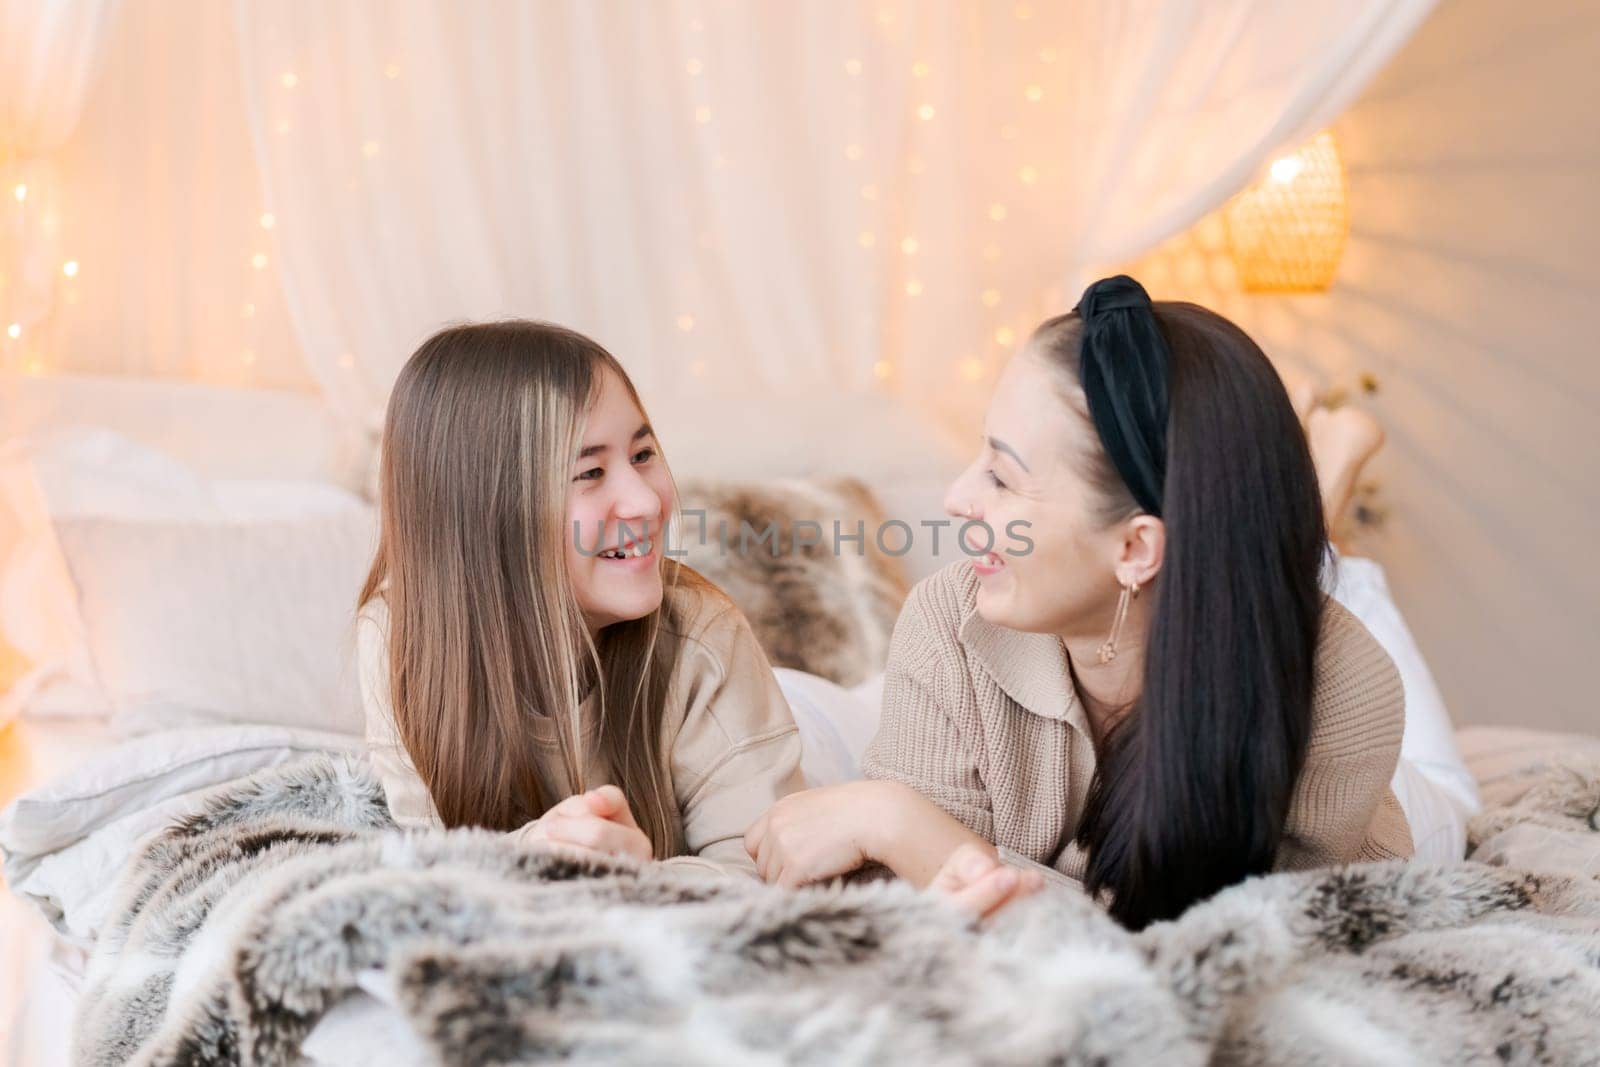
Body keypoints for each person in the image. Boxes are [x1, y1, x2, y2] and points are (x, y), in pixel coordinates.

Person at [745, 275, 1473, 928]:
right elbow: (925, 905)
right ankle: (1312, 500)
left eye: (1001, 477)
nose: (956, 498)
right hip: (1196, 590)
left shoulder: (1347, 692)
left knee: (1454, 799)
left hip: (1405, 809)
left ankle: (1326, 490)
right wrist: (915, 837)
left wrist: (892, 815)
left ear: (1133, 549)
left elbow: (1208, 950)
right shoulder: (948, 616)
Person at [355, 320, 806, 879]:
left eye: (643, 455)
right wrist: (536, 855)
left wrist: (643, 881)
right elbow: (435, 862)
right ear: (486, 515)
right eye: (589, 472)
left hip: (800, 718)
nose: (643, 502)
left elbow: (770, 872)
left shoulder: (701, 635)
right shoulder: (404, 638)